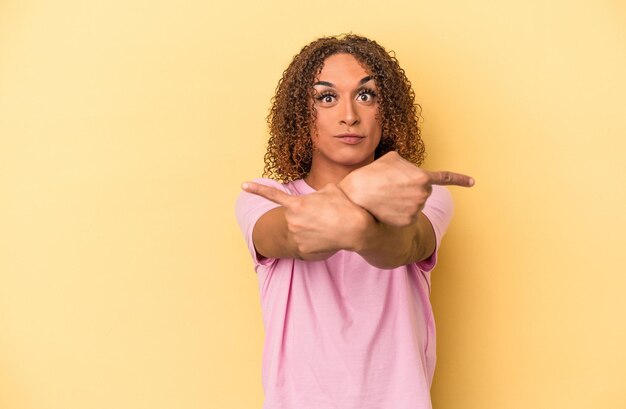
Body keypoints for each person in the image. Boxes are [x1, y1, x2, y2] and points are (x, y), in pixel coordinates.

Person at [235, 34, 474, 409]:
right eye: (326, 97)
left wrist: (363, 224)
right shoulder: (263, 196)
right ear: (301, 113)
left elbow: (401, 246)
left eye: (366, 95)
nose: (350, 115)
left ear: (387, 111)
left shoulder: (424, 196)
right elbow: (300, 234)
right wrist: (361, 187)